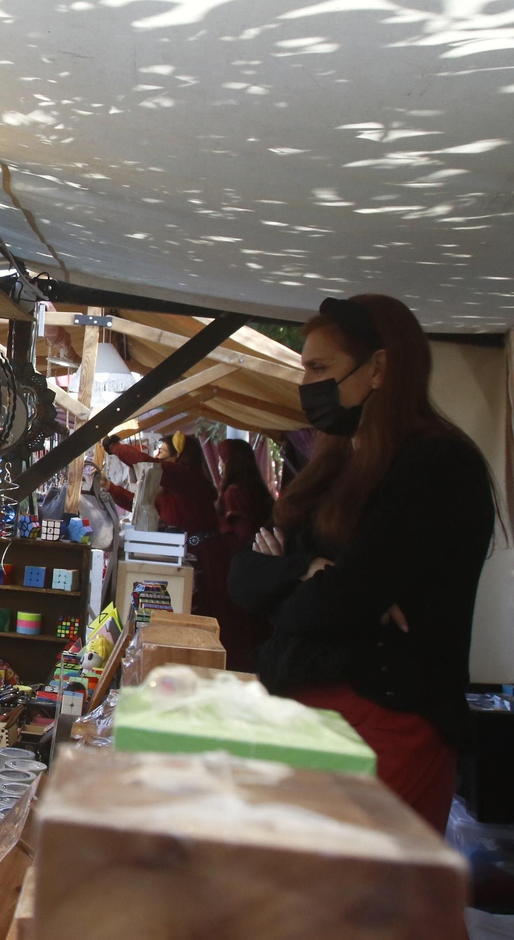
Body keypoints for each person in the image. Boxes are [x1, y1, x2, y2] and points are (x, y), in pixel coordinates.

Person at [229, 295, 497, 832]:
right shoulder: (336, 463)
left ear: (379, 368)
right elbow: (244, 576)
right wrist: (304, 573)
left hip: (388, 721)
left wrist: (303, 585)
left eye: (320, 367)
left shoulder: (437, 466)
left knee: (356, 901)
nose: (307, 383)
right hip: (312, 713)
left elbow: (337, 605)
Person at [104, 431, 249, 669]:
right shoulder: (172, 491)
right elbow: (138, 502)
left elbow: (148, 464)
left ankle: (214, 666)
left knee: (210, 617)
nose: (156, 456)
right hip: (192, 558)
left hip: (207, 561)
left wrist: (115, 447)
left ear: (179, 455)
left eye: (161, 451)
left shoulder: (187, 478)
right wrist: (108, 486)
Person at [216, 438, 273, 551]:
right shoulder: (256, 489)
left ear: (230, 463)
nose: (219, 464)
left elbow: (242, 535)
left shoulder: (234, 494)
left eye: (222, 460)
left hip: (243, 557)